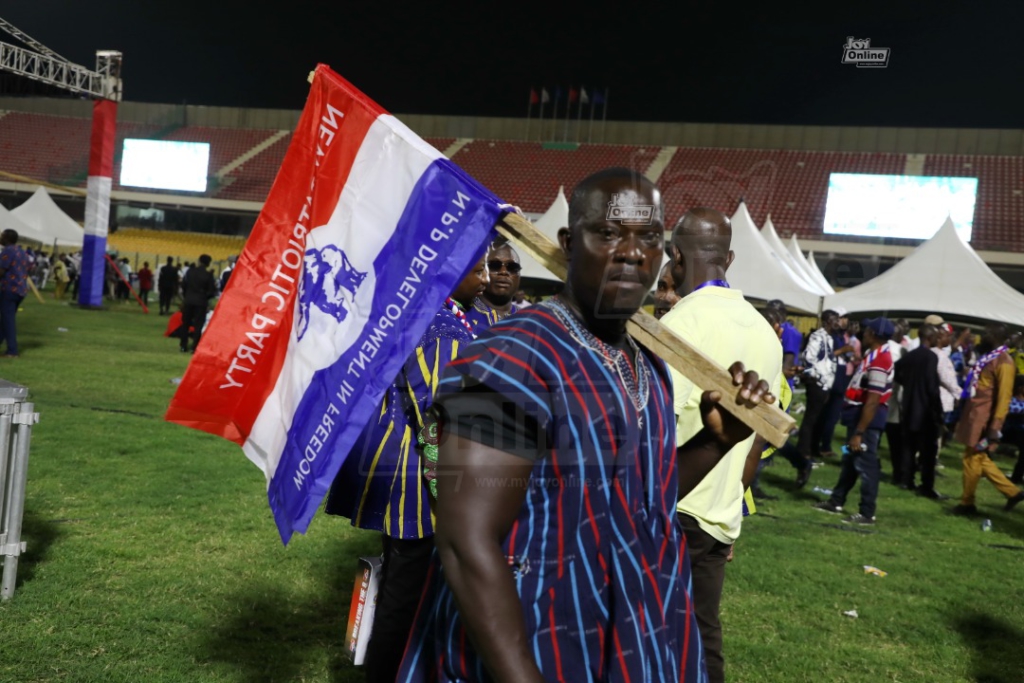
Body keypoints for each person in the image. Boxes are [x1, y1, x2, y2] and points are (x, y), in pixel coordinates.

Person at [397, 168, 773, 683]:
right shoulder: (512, 355)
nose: (632, 252)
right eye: (609, 233)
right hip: (534, 637)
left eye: (649, 238)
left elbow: (645, 499)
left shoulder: (649, 363)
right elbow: (466, 541)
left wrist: (715, 441)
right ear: (570, 243)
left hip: (628, 633)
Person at [324, 255, 488, 683]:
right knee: (407, 594)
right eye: (479, 270)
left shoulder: (430, 312)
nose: (486, 280)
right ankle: (388, 671)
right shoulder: (443, 326)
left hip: (402, 474)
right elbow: (438, 413)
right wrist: (449, 489)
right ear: (454, 274)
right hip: (417, 482)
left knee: (402, 587)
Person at [661, 207, 783, 683]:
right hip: (720, 514)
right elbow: (754, 442)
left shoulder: (680, 323)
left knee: (648, 638)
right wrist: (732, 508)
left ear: (674, 257)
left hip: (672, 505)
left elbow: (656, 427)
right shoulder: (765, 335)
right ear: (728, 258)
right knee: (703, 637)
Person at [813, 317, 895, 524]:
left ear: (874, 335)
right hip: (858, 420)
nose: (863, 334)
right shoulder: (873, 355)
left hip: (866, 423)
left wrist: (859, 433)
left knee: (866, 466)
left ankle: (867, 512)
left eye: (867, 331)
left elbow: (873, 400)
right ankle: (836, 500)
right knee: (849, 461)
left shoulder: (880, 361)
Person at [951, 324, 1024, 514]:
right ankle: (1013, 492)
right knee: (978, 457)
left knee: (973, 457)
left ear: (999, 335)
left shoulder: (1005, 362)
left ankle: (967, 503)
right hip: (974, 413)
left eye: (988, 332)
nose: (984, 335)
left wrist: (995, 426)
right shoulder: (989, 357)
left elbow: (1004, 397)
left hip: (984, 419)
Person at [894, 324, 943, 496]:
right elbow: (931, 385)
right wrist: (938, 408)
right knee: (928, 450)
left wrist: (906, 383)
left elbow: (896, 370)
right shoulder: (930, 357)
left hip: (908, 405)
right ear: (929, 338)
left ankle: (906, 480)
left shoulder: (909, 356)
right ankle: (926, 485)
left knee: (908, 446)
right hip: (925, 409)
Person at [798, 310, 841, 463]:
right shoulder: (817, 336)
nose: (838, 323)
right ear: (826, 322)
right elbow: (808, 357)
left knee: (818, 419)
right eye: (835, 320)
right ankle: (803, 452)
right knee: (811, 419)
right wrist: (812, 378)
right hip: (817, 383)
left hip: (824, 385)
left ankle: (812, 449)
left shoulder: (829, 338)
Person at [466, 241, 520, 332]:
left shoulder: (531, 319)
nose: (503, 272)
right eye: (494, 266)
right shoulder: (459, 313)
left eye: (512, 267)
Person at [884, 320, 909, 486]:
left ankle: (850, 460)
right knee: (896, 444)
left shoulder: (877, 348)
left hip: (878, 401)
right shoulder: (901, 351)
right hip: (893, 403)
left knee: (863, 438)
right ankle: (899, 474)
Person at [0, 229, 31, 358]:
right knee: (5, 320)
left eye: (2, 236)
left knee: (8, 320)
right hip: (21, 290)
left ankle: (12, 351)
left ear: (6, 238)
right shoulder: (22, 252)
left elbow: (1, 270)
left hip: (9, 289)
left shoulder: (8, 251)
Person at [178, 254, 217, 353]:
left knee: (185, 324)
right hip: (201, 302)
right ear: (208, 263)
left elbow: (184, 285)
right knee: (198, 325)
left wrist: (187, 295)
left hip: (189, 300)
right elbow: (212, 291)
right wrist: (205, 297)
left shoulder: (190, 271)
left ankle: (183, 345)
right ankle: (194, 347)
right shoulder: (208, 275)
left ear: (199, 261)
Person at [768, 299, 803, 388]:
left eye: (773, 312)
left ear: (782, 313)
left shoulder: (790, 332)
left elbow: (787, 366)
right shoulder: (771, 327)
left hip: (781, 385)